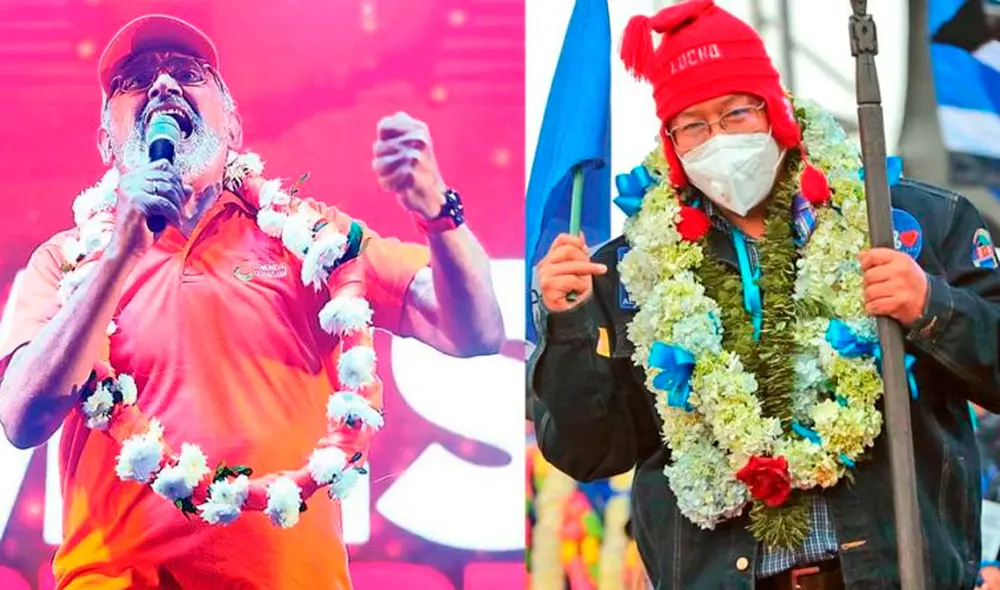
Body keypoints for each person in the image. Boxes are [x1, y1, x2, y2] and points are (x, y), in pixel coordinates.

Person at [0, 14, 504, 590]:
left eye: (189, 74)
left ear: (233, 127)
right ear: (106, 142)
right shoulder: (64, 261)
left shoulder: (311, 240)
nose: (163, 87)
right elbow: (20, 419)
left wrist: (438, 213)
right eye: (135, 80)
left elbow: (476, 329)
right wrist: (117, 255)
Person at [529, 1, 1000, 588]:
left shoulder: (904, 221)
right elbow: (588, 451)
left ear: (776, 111)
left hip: (894, 571)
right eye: (693, 126)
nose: (718, 138)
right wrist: (567, 326)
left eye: (736, 113)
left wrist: (931, 307)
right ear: (671, 144)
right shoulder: (627, 272)